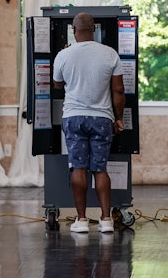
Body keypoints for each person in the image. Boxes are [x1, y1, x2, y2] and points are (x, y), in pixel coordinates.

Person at [52, 12, 126, 234]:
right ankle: (105, 220)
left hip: (74, 117)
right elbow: (119, 90)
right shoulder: (110, 54)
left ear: (74, 30)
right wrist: (119, 117)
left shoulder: (63, 55)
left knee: (78, 167)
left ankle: (82, 220)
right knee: (100, 168)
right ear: (94, 29)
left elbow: (57, 85)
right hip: (102, 118)